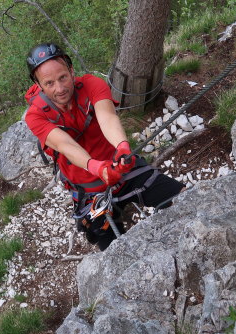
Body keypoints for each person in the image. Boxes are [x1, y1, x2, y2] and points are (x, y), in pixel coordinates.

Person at [24, 43, 184, 250]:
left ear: (72, 71)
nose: (60, 88)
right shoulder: (36, 115)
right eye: (49, 83)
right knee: (113, 252)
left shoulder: (92, 85)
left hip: (123, 169)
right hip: (90, 190)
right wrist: (98, 168)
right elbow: (65, 145)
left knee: (185, 198)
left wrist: (123, 147)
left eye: (63, 77)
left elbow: (107, 116)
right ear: (38, 84)